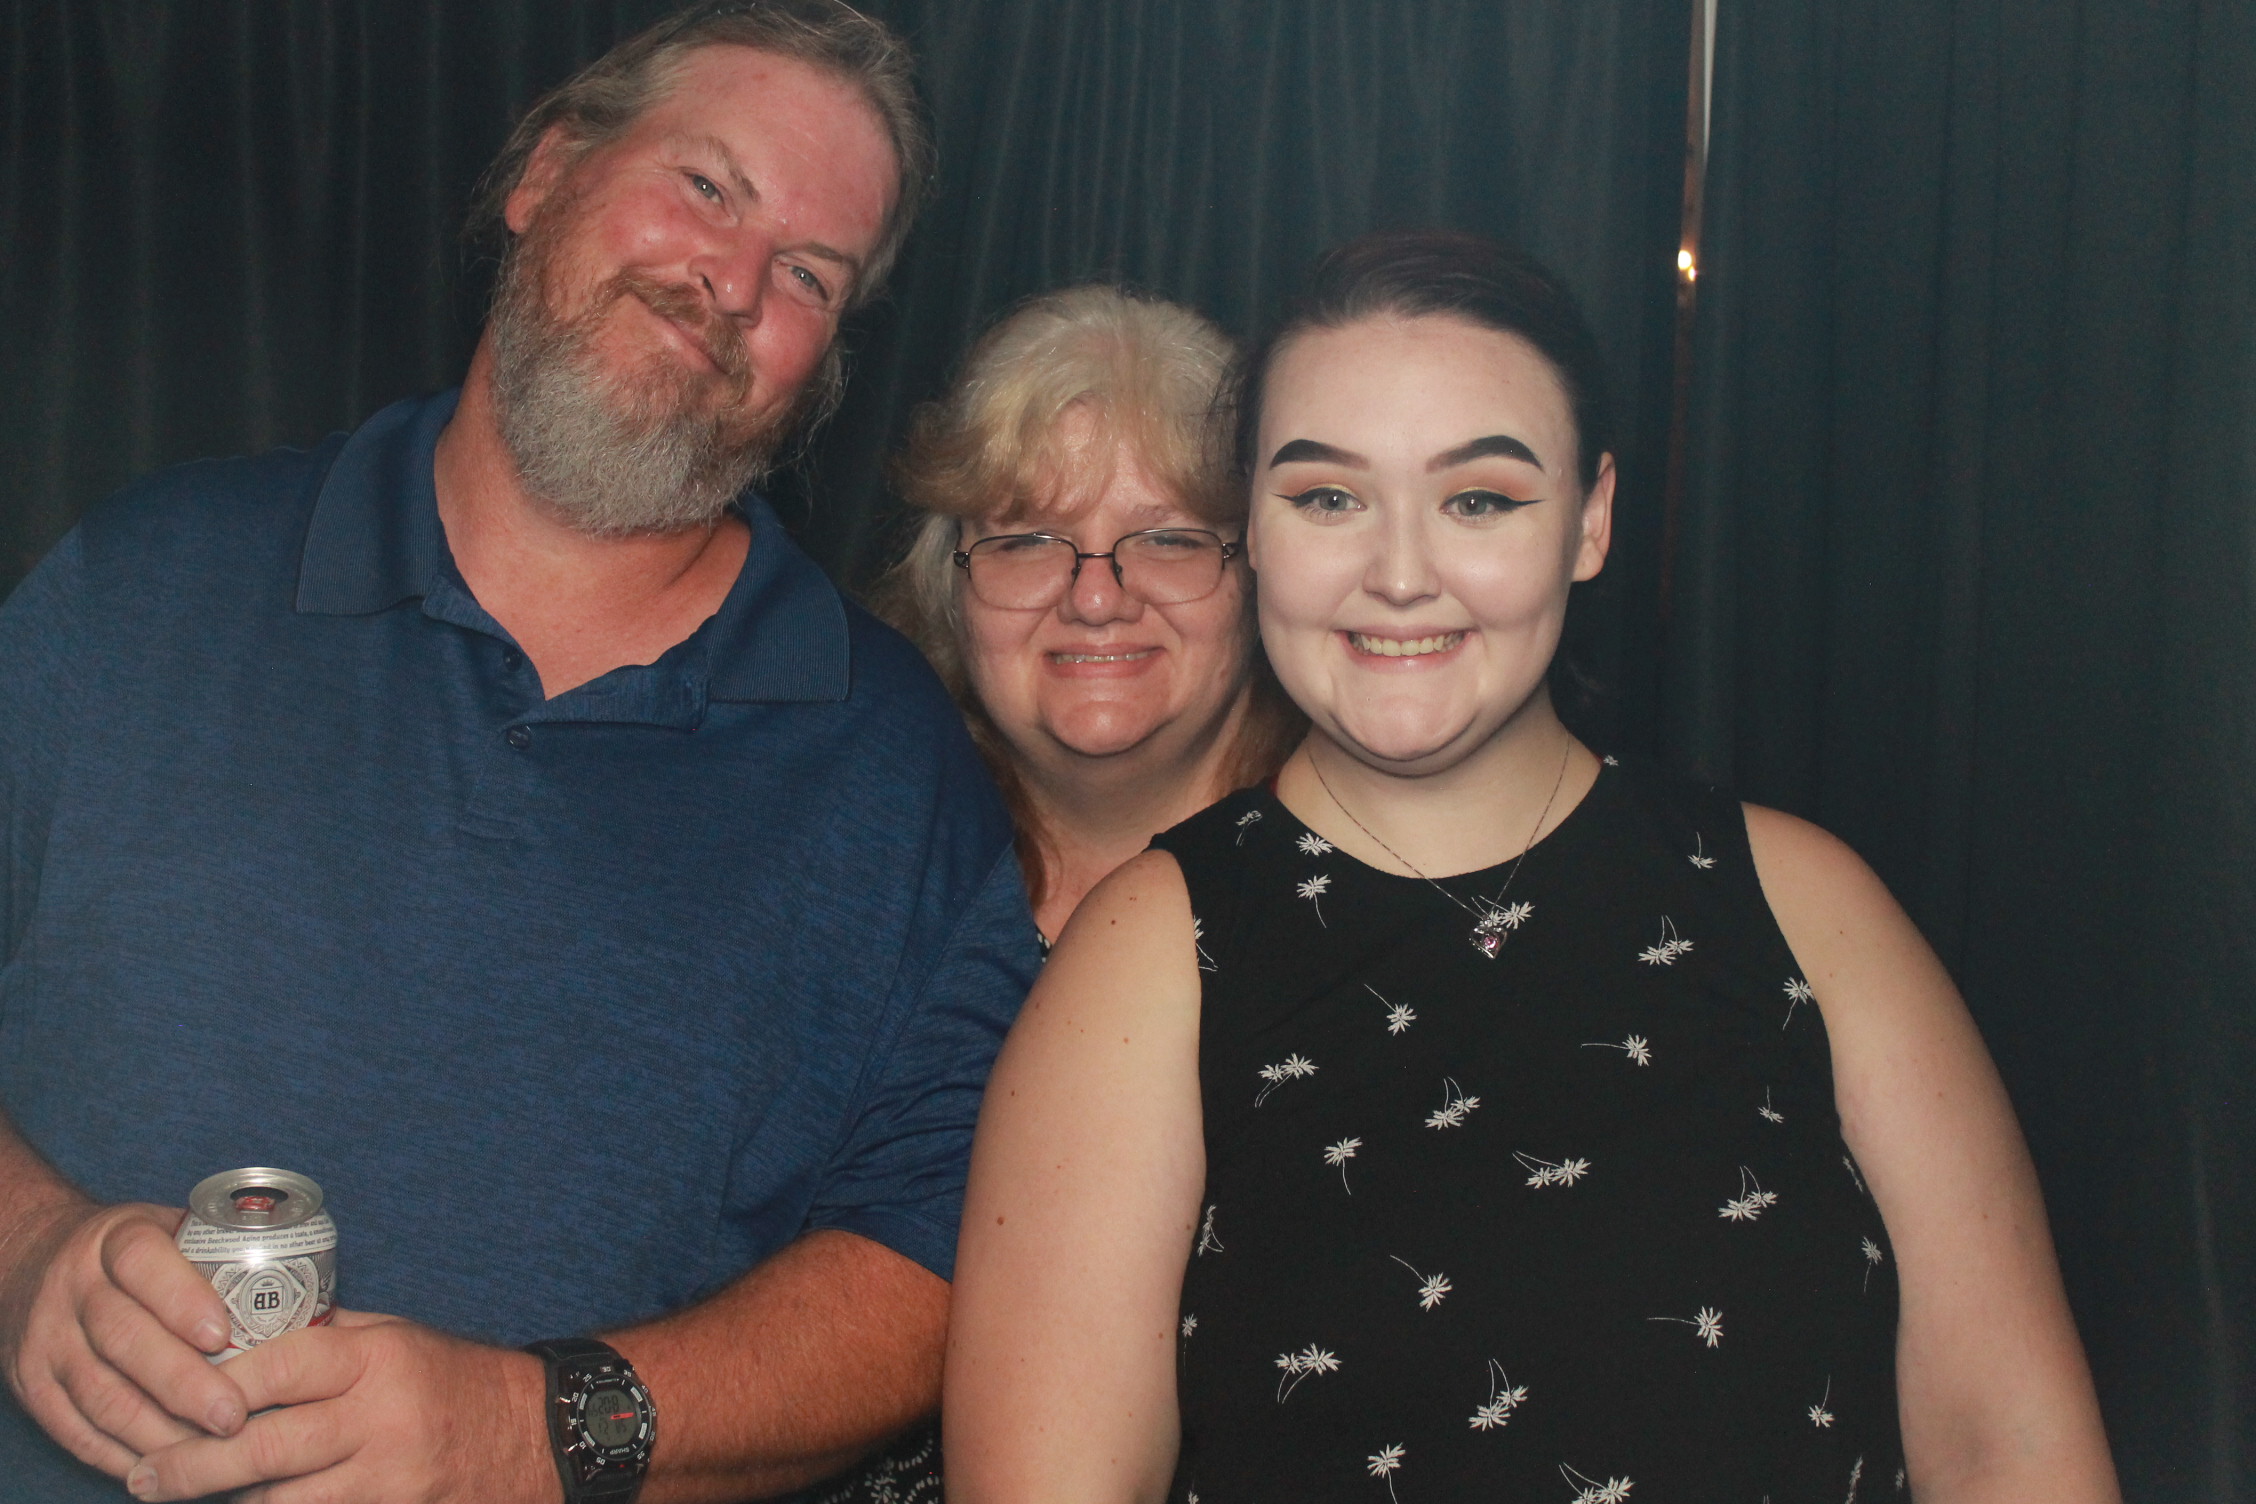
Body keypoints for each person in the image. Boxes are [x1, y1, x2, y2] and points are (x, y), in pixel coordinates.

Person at [0, 5, 1038, 1503]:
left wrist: (535, 1428)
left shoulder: (893, 765)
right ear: (544, 171)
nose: (733, 284)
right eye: (708, 188)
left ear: (825, 366)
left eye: (810, 273)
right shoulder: (144, 583)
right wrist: (30, 1248)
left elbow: (936, 1280)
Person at [945, 231, 2121, 1501]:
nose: (1400, 575)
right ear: (1257, 535)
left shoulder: (1805, 903)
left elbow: (2009, 1443)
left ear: (1591, 520)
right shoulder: (1148, 966)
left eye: (1480, 499)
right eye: (1328, 497)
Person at [874, 286, 1301, 943]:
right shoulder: (861, 867)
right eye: (1027, 541)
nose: (1096, 600)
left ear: (1257, 576)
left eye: (1169, 541)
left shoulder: (1356, 888)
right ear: (946, 585)